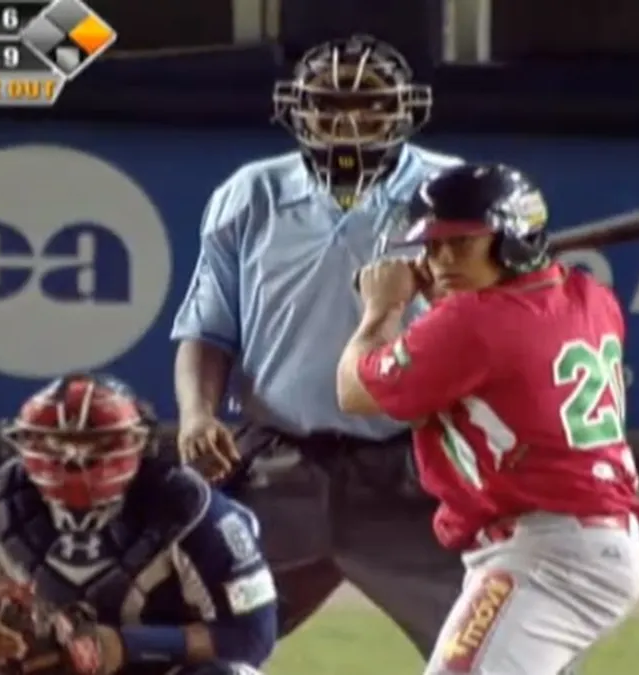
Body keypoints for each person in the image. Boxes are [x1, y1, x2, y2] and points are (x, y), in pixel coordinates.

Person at [170, 33, 466, 657]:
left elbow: (495, 327)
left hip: (413, 469)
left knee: (492, 650)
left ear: (403, 108)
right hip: (277, 467)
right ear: (297, 109)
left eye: (369, 104)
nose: (349, 121)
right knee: (183, 637)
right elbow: (207, 327)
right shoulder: (250, 193)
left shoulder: (453, 190)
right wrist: (197, 414)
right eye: (330, 104)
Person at [336, 163, 639, 675]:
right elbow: (496, 340)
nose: (441, 259)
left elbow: (354, 390)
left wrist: (382, 308)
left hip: (547, 554)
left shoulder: (472, 324)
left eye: (461, 243)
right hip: (583, 541)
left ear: (513, 241)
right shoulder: (590, 297)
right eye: (432, 245)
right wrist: (451, 294)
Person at [0, 373, 277, 675]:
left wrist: (126, 646)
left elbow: (252, 636)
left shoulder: (194, 512)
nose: (74, 459)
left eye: (95, 444)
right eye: (56, 444)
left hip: (149, 670)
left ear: (138, 443)